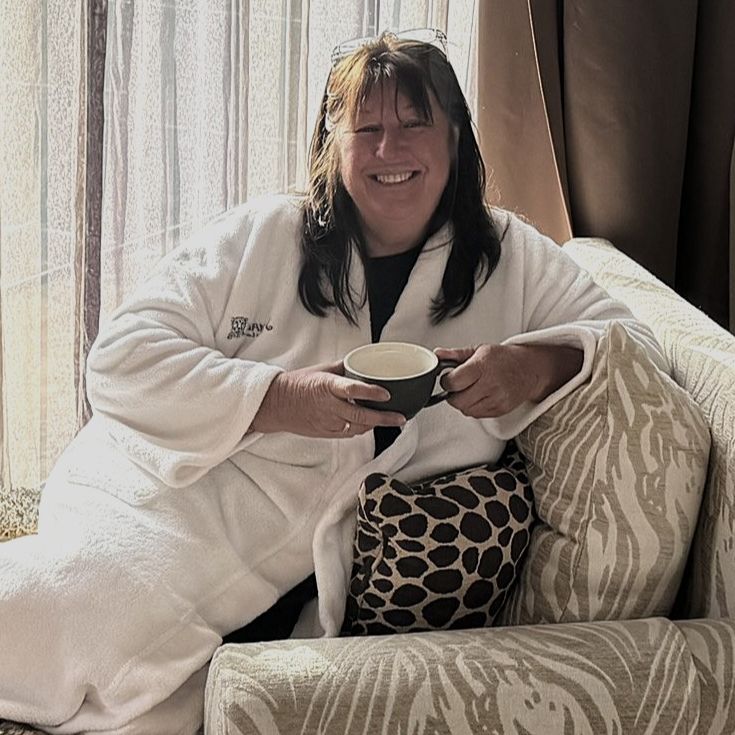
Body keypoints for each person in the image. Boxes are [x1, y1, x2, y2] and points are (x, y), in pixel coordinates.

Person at [0, 30, 665, 735]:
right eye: (365, 129)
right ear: (331, 144)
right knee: (74, 612)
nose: (389, 149)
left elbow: (638, 348)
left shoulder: (512, 260)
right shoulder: (263, 235)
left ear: (455, 139)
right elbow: (120, 358)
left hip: (309, 572)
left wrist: (534, 366)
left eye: (414, 124)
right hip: (169, 500)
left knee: (171, 701)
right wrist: (278, 398)